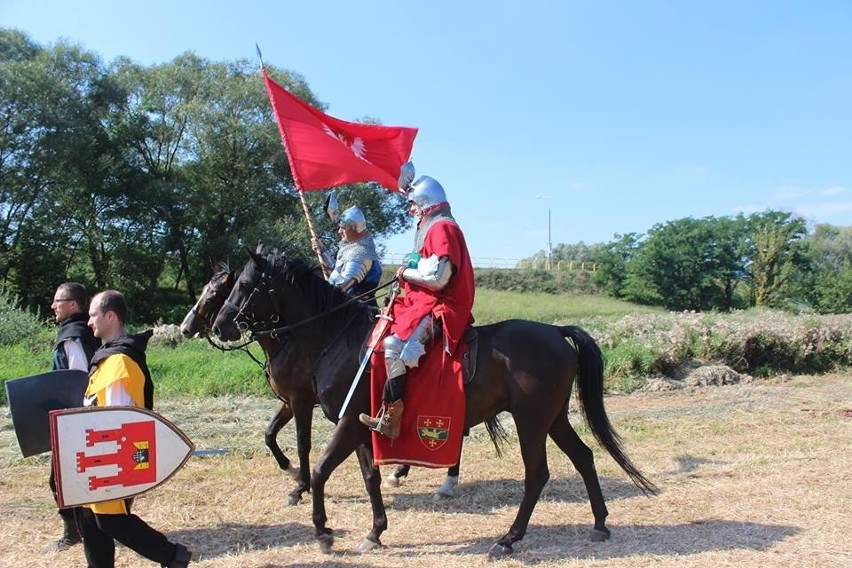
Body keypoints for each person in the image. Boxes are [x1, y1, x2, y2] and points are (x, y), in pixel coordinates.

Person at [76, 290, 192, 567]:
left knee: (110, 519)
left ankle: (173, 556)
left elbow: (116, 418)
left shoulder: (120, 361)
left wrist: (107, 458)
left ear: (110, 315)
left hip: (113, 455)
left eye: (93, 315)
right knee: (89, 519)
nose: (89, 322)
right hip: (97, 455)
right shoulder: (108, 357)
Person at [359, 174, 475, 439]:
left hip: (444, 303)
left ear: (425, 202)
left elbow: (439, 278)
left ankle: (392, 418)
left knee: (394, 347)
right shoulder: (431, 226)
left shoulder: (443, 228)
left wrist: (405, 273)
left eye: (413, 204)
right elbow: (423, 265)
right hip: (423, 299)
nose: (411, 209)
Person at [46, 282, 100, 552]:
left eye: (58, 301)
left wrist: (72, 423)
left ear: (73, 305)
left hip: (75, 418)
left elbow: (79, 380)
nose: (53, 306)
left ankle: (74, 533)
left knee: (60, 479)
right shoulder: (83, 331)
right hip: (79, 419)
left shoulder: (73, 335)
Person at [312, 205, 383, 303]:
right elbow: (336, 272)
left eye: (343, 228)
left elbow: (341, 286)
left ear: (352, 228)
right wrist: (322, 250)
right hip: (346, 308)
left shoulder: (361, 254)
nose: (339, 231)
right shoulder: (352, 248)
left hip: (358, 312)